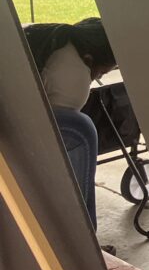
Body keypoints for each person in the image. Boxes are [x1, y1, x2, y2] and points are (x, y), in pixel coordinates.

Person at [24, 18, 118, 228]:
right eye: (101, 72)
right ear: (89, 58)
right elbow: (50, 139)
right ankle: (83, 233)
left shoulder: (52, 37)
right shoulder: (74, 78)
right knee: (80, 130)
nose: (97, 78)